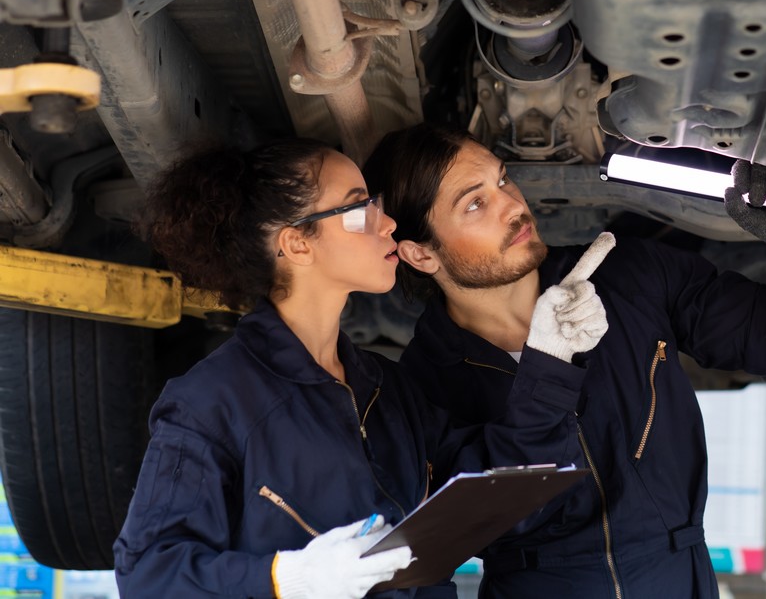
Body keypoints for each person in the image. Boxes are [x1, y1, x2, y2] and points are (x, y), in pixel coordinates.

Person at [113, 138, 612, 599]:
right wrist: (286, 578)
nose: (388, 221)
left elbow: (500, 490)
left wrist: (547, 361)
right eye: (360, 207)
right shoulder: (213, 400)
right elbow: (149, 573)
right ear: (298, 245)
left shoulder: (387, 388)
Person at [362, 123, 766, 598]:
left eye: (503, 178)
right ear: (421, 255)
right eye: (474, 203)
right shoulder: (420, 388)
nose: (512, 205)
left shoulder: (628, 276)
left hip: (677, 576)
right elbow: (485, 521)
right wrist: (547, 367)